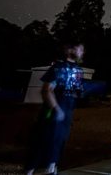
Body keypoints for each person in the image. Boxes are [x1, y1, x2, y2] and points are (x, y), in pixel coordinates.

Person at [24, 43, 85, 175]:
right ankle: (30, 170)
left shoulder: (79, 71)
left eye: (82, 50)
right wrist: (57, 109)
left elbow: (77, 91)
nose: (81, 52)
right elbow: (46, 90)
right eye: (79, 49)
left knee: (59, 141)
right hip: (53, 110)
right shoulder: (58, 68)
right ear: (69, 50)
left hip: (67, 111)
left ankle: (51, 168)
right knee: (43, 140)